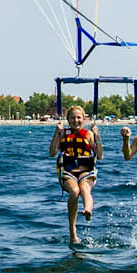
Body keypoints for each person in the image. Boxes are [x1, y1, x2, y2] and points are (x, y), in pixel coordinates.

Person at [48, 104, 100, 243]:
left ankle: (88, 209)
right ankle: (73, 231)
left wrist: (97, 137)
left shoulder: (88, 135)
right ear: (68, 119)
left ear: (83, 119)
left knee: (84, 189)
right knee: (74, 191)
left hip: (86, 171)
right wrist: (56, 133)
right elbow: (52, 153)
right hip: (68, 171)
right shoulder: (63, 134)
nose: (75, 120)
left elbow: (99, 156)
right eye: (72, 118)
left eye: (78, 117)